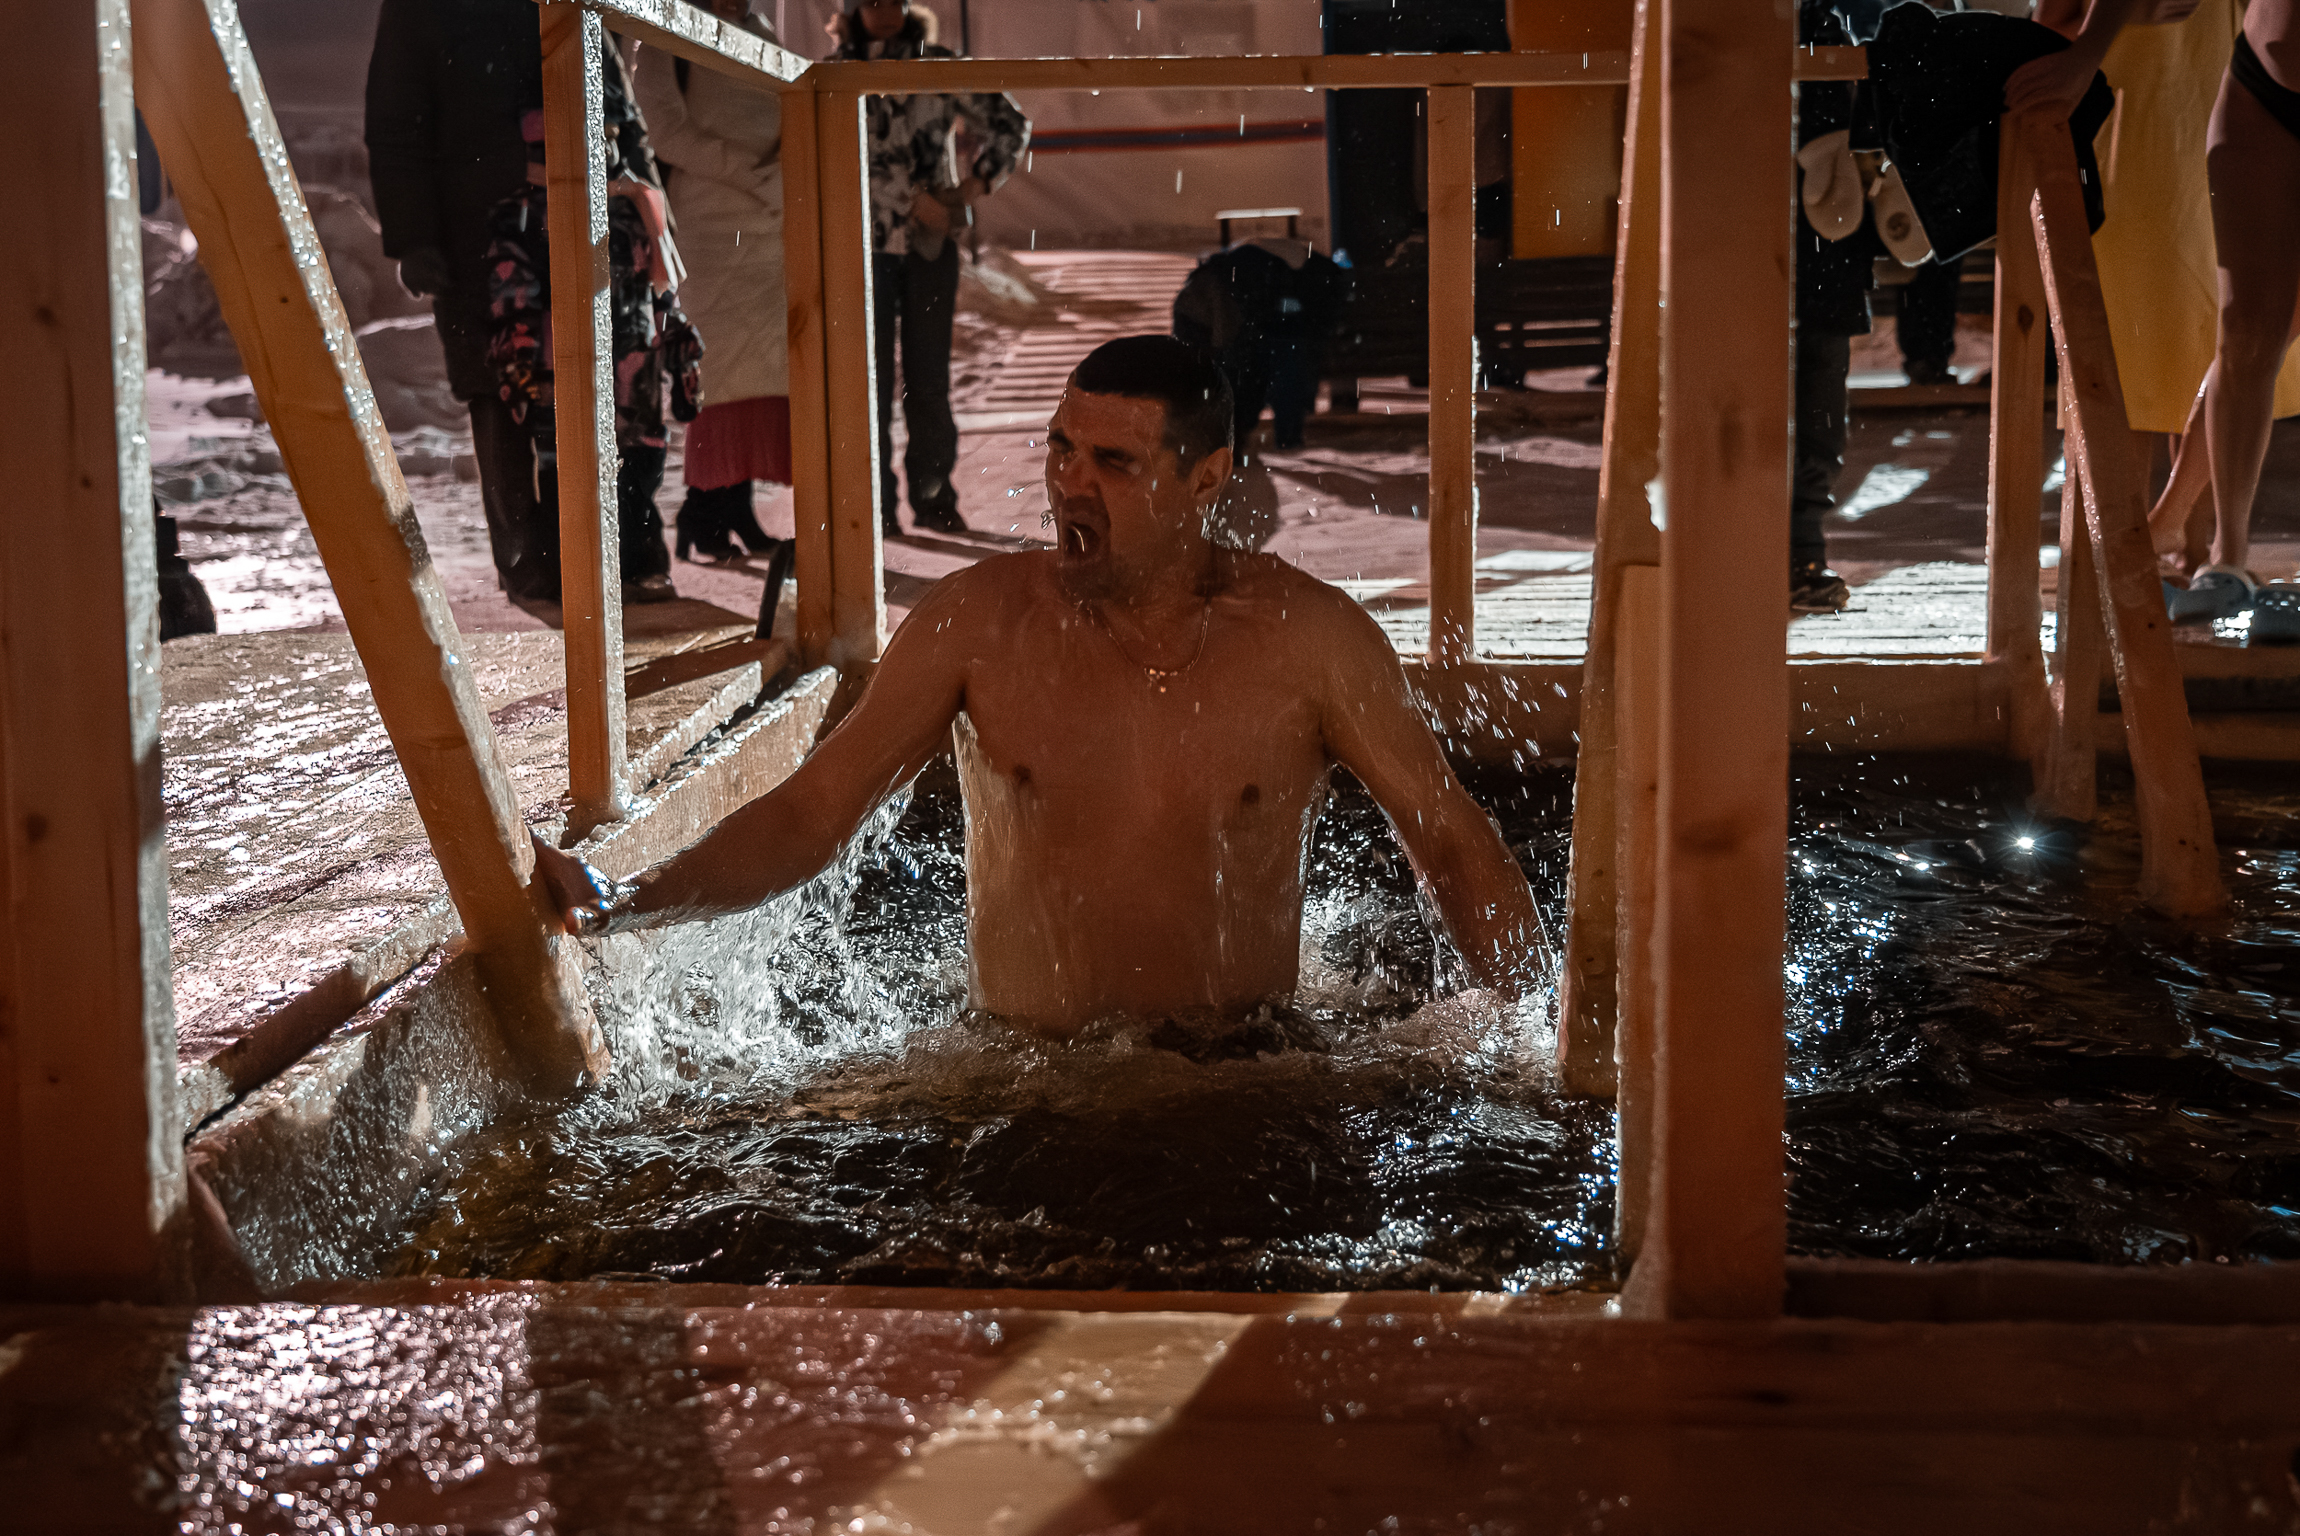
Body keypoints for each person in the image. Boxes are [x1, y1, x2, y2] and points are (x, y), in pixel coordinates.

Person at [531, 336, 1546, 1036]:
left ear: (1205, 479)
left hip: (1246, 1080)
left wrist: (1538, 1038)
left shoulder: (1309, 639)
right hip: (1019, 1085)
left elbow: (1451, 843)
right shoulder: (976, 625)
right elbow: (810, 814)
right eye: (1061, 447)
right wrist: (631, 899)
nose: (1068, 483)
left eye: (1112, 461)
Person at [366, 0, 562, 603]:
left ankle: (574, 545)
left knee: (570, 381)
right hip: (472, 233)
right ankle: (526, 558)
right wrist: (414, 239)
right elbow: (397, 125)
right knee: (495, 390)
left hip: (560, 216)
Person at [481, 68, 699, 605]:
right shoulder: (522, 214)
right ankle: (571, 569)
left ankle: (640, 562)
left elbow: (661, 289)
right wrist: (518, 358)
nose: (592, 149)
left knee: (639, 465)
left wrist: (678, 342)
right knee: (567, 468)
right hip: (562, 365)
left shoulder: (634, 208)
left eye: (602, 135)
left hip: (634, 364)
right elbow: (510, 293)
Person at [831, 0, 1029, 539]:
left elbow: (1011, 124)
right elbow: (828, 152)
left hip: (929, 248)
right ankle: (872, 503)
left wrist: (973, 186)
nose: (884, 10)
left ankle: (934, 494)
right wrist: (910, 197)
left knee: (929, 378)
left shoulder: (937, 66)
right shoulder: (836, 74)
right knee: (866, 382)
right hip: (861, 248)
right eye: (871, 0)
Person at [2134, 0, 2300, 639]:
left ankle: (2168, 524)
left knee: (2274, 328)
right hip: (2264, 82)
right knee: (2249, 334)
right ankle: (2225, 558)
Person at [635, 3, 793, 567]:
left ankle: (734, 508)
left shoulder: (761, 30)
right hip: (711, 226)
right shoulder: (667, 29)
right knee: (717, 374)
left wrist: (780, 173)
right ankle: (704, 510)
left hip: (769, 225)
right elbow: (662, 128)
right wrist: (749, 171)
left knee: (760, 371)